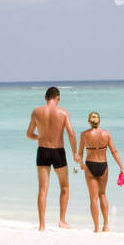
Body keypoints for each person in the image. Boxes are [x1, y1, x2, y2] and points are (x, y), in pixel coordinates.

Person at [26, 86, 78, 230]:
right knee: (65, 187)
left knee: (43, 189)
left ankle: (42, 225)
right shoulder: (63, 112)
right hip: (58, 152)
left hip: (42, 151)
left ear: (45, 98)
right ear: (58, 98)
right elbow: (71, 134)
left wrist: (39, 137)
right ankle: (62, 221)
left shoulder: (37, 112)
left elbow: (29, 134)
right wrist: (75, 153)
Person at [76, 111, 124, 233]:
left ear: (89, 121)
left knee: (93, 198)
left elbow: (80, 152)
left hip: (90, 165)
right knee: (102, 194)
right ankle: (106, 225)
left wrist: (80, 164)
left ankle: (96, 227)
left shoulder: (84, 134)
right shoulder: (106, 134)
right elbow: (114, 151)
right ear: (99, 121)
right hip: (103, 165)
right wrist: (121, 167)